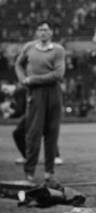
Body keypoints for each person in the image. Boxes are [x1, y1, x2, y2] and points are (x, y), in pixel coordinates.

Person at [15, 20, 65, 185]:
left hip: (53, 92)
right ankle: (29, 172)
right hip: (35, 94)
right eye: (40, 29)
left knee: (52, 133)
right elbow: (18, 64)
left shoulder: (57, 50)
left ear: (51, 32)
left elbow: (58, 74)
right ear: (36, 33)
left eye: (46, 29)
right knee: (33, 133)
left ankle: (49, 172)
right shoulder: (29, 47)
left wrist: (32, 79)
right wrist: (23, 80)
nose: (43, 32)